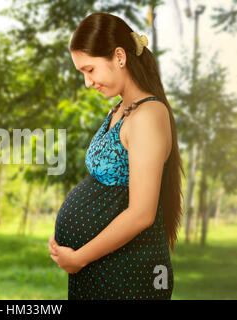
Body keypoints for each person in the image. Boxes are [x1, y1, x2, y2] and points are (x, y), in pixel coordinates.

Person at [48, 12, 185, 300]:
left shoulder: (148, 115)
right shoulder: (121, 109)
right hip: (104, 268)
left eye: (90, 70)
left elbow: (141, 214)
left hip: (129, 273)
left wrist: (79, 257)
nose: (88, 82)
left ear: (119, 57)